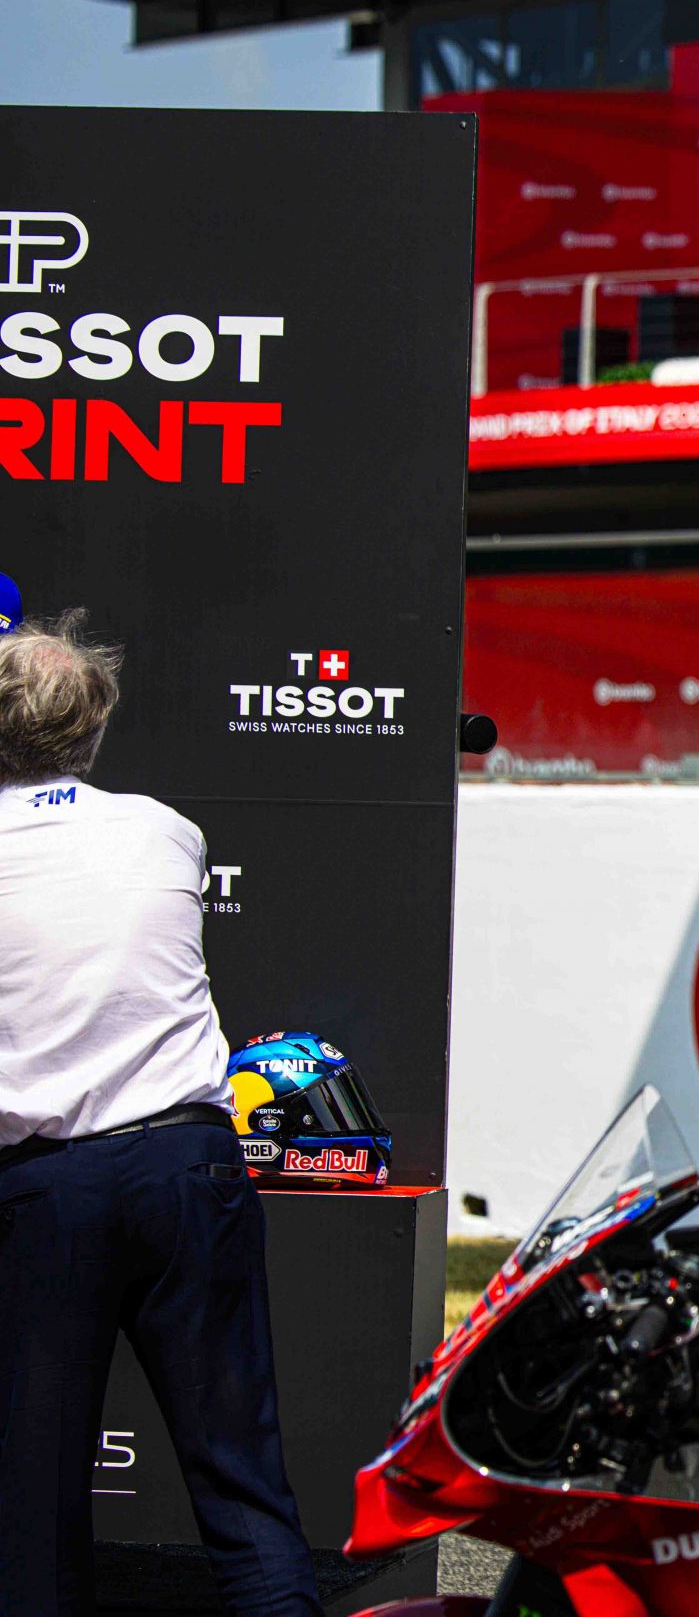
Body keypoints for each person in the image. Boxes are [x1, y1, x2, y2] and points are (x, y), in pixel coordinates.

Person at [0, 614, 319, 1617]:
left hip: (47, 1185)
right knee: (243, 1480)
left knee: (33, 1501)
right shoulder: (164, 829)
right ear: (92, 728)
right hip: (190, 1168)